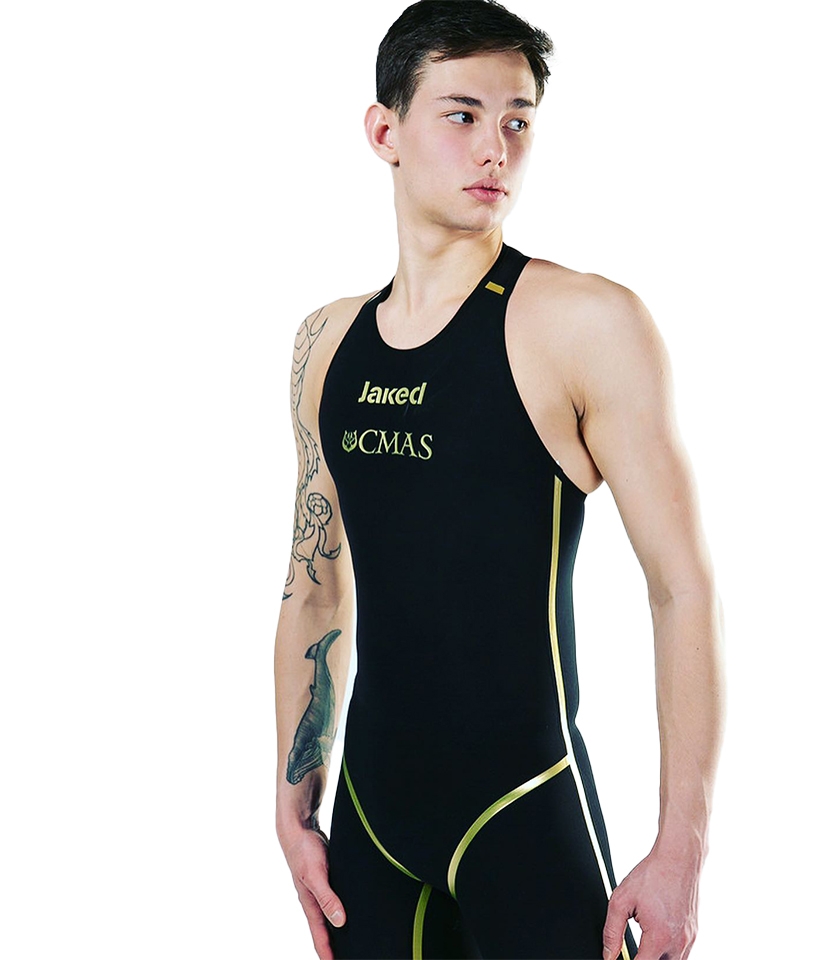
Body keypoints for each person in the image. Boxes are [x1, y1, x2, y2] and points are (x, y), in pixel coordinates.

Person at [274, 2, 725, 958]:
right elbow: (314, 588)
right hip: (369, 824)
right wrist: (292, 804)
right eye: (463, 114)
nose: (497, 148)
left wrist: (681, 847)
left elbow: (681, 586)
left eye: (519, 119)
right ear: (384, 132)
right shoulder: (325, 344)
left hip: (524, 818)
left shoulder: (584, 324)